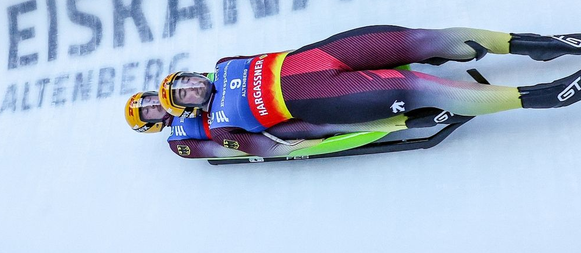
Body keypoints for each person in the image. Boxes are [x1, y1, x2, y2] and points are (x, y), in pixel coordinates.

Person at [156, 25, 581, 146]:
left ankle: (534, 44)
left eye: (186, 82)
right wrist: (360, 129)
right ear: (187, 110)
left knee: (423, 39)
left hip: (324, 54)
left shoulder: (224, 64)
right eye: (184, 96)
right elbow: (286, 138)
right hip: (324, 99)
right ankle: (541, 97)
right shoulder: (219, 126)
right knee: (421, 86)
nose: (193, 89)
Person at [125, 88, 469, 159]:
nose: (156, 107)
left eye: (152, 102)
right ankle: (404, 121)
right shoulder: (179, 140)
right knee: (315, 124)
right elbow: (220, 149)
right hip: (259, 133)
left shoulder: (185, 90)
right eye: (150, 112)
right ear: (152, 125)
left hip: (266, 105)